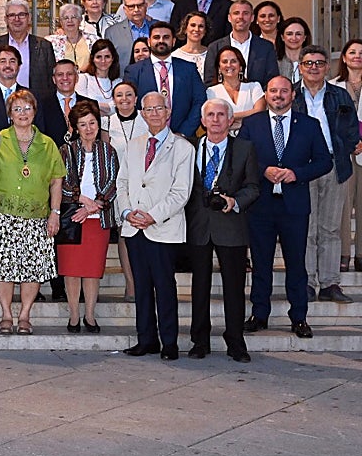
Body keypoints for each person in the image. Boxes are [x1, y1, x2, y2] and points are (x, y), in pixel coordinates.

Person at [239, 75, 333, 339]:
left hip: (295, 206)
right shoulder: (251, 124)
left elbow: (325, 161)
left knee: (296, 264)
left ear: (293, 94)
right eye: (273, 91)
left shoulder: (309, 125)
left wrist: (297, 174)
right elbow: (240, 160)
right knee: (261, 263)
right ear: (266, 95)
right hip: (260, 206)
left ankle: (299, 317)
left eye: (283, 91)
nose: (278, 95)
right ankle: (259, 314)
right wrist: (262, 170)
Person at [0, 89, 64, 336]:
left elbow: (57, 180)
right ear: (9, 114)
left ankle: (24, 315)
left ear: (35, 111)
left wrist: (55, 213)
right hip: (3, 215)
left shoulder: (48, 144)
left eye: (27, 108)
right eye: (17, 109)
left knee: (32, 268)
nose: (23, 113)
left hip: (37, 217)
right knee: (3, 267)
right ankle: (6, 314)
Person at [116, 91, 196, 360]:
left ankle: (169, 343)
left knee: (164, 286)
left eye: (158, 109)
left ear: (168, 111)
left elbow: (180, 192)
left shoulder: (183, 148)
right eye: (148, 110)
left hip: (163, 227)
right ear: (142, 113)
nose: (153, 114)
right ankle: (146, 339)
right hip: (134, 227)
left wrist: (151, 215)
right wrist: (127, 212)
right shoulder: (134, 145)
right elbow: (123, 183)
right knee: (141, 287)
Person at [185, 97, 260, 363]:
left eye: (221, 115)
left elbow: (253, 186)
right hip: (199, 227)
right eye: (211, 115)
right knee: (199, 286)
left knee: (234, 287)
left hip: (232, 225)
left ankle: (236, 342)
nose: (215, 120)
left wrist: (235, 201)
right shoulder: (190, 148)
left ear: (230, 121)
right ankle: (199, 341)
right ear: (202, 121)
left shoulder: (245, 149)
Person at [293, 44, 359, 303]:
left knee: (331, 228)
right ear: (300, 67)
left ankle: (330, 283)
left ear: (327, 67)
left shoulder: (339, 95)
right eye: (308, 63)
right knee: (306, 229)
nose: (314, 67)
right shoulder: (292, 96)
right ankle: (307, 282)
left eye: (319, 63)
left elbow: (352, 129)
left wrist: (341, 149)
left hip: (334, 166)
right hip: (303, 168)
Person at [57, 100, 119, 334]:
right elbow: (60, 183)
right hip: (73, 217)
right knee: (71, 270)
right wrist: (82, 201)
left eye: (92, 122)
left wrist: (95, 206)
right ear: (75, 127)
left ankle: (90, 316)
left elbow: (113, 183)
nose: (89, 128)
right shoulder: (66, 151)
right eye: (83, 124)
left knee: (92, 271)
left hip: (98, 219)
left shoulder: (108, 150)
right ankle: (74, 315)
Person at [122, 22, 203, 137]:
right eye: (156, 37)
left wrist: (184, 132)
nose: (161, 41)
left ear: (173, 41)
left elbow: (199, 101)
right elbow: (130, 104)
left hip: (182, 138)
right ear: (149, 42)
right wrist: (146, 132)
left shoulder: (189, 68)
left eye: (166, 37)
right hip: (144, 136)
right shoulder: (133, 71)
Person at [106, 80, 148, 302]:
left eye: (128, 95)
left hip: (146, 185)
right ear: (114, 100)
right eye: (119, 96)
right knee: (125, 234)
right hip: (120, 187)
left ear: (136, 97)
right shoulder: (108, 123)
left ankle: (146, 282)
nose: (124, 99)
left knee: (146, 234)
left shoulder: (147, 119)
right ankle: (131, 284)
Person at [331, 38, 362, 274]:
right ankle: (343, 254)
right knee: (343, 206)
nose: (357, 56)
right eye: (352, 52)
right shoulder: (333, 87)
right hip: (343, 153)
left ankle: (361, 254)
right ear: (344, 57)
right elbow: (330, 123)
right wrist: (350, 142)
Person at [0, 0, 56, 99]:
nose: (17, 19)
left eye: (21, 14)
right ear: (6, 20)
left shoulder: (44, 46)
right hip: (2, 104)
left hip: (36, 105)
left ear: (29, 18)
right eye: (12, 15)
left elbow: (51, 81)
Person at [202, 0, 280, 86]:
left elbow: (271, 80)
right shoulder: (215, 47)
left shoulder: (266, 47)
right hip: (222, 98)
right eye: (236, 13)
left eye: (245, 13)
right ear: (229, 18)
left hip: (257, 98)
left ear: (252, 18)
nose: (241, 17)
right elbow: (209, 81)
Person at [205, 47, 265, 135]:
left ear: (240, 66)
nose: (229, 65)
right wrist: (245, 120)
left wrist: (228, 119)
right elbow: (213, 120)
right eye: (225, 62)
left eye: (233, 61)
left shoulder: (254, 87)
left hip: (252, 139)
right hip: (224, 140)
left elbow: (259, 112)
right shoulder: (211, 92)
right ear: (219, 68)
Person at [103, 0, 154, 68]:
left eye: (140, 5)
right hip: (123, 78)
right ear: (125, 9)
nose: (136, 10)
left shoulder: (158, 28)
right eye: (131, 7)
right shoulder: (112, 32)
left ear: (146, 6)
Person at [76, 38, 122, 118]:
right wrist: (110, 108)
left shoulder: (119, 82)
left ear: (113, 58)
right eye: (99, 57)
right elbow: (82, 107)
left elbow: (121, 107)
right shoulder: (83, 79)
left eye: (107, 56)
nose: (103, 61)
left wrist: (93, 106)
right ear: (92, 59)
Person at [47, 3, 97, 70]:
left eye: (74, 17)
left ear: (80, 20)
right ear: (61, 22)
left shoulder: (93, 40)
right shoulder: (51, 42)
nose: (70, 21)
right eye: (66, 18)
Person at [171, 10, 210, 77]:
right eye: (193, 25)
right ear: (185, 29)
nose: (196, 29)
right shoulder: (175, 56)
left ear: (205, 30)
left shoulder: (212, 54)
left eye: (201, 26)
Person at [276, 16, 312, 88]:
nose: (294, 38)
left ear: (305, 37)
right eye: (289, 34)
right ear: (282, 37)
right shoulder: (273, 61)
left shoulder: (314, 60)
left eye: (298, 34)